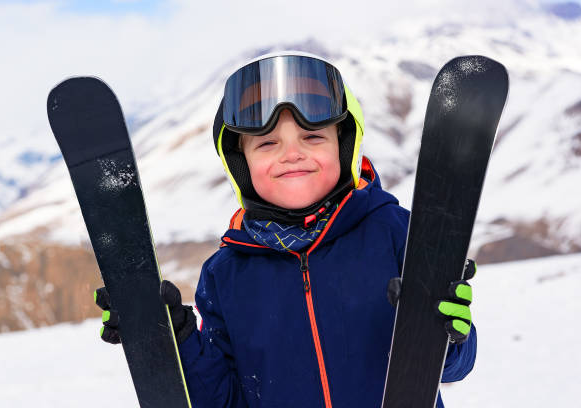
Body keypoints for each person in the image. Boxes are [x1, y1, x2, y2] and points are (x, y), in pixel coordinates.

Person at [95, 52, 477, 407]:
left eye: (312, 137)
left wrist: (442, 330)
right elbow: (224, 400)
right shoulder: (225, 274)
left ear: (345, 147)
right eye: (267, 143)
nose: (291, 154)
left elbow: (454, 367)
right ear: (240, 163)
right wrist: (174, 344)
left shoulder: (396, 232)